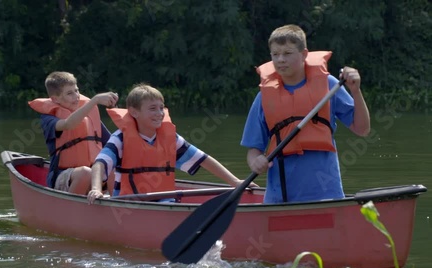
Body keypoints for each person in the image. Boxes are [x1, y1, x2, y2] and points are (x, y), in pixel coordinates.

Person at [241, 24, 370, 204]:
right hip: (281, 198)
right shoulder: (264, 97)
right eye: (275, 54)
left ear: (304, 54)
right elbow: (253, 150)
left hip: (325, 194)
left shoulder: (329, 85)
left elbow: (362, 129)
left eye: (287, 53)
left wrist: (356, 92)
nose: (280, 59)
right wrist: (255, 161)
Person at [88, 83, 253, 203]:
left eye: (161, 108)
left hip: (163, 201)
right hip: (127, 203)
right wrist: (96, 189)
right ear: (134, 112)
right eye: (152, 109)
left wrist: (235, 182)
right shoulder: (120, 138)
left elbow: (203, 159)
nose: (159, 113)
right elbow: (100, 164)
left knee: (169, 204)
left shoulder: (170, 138)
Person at [28, 71, 119, 195]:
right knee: (85, 173)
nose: (76, 96)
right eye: (69, 93)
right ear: (55, 99)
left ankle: (116, 205)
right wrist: (95, 100)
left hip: (95, 177)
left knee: (114, 166)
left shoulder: (90, 117)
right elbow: (68, 124)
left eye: (76, 91)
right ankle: (70, 211)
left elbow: (113, 144)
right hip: (64, 177)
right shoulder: (48, 119)